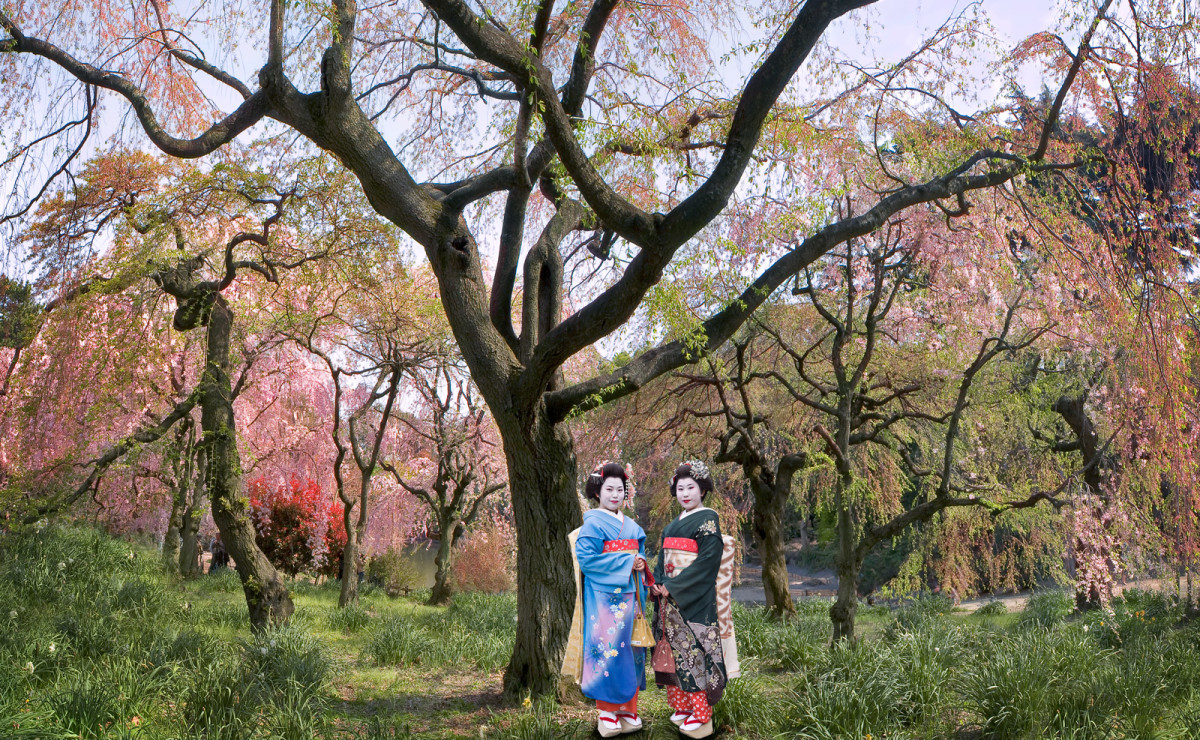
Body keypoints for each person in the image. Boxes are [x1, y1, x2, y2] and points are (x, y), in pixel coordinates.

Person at [650, 460, 740, 739]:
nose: (685, 493)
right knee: (674, 656)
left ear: (702, 490)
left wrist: (673, 587)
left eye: (691, 487)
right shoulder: (670, 526)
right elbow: (662, 561)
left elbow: (707, 562)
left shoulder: (707, 518)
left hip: (694, 601)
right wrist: (656, 584)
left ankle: (701, 714)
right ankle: (683, 707)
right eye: (680, 488)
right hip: (669, 600)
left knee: (694, 656)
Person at [561, 462, 648, 737]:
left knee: (632, 652)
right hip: (605, 599)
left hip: (632, 595)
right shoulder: (593, 523)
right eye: (609, 489)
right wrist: (625, 561)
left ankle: (628, 710)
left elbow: (641, 553)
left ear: (626, 493)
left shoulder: (632, 526)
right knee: (608, 652)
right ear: (598, 492)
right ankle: (607, 712)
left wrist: (640, 561)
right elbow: (587, 560)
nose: (615, 494)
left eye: (620, 489)